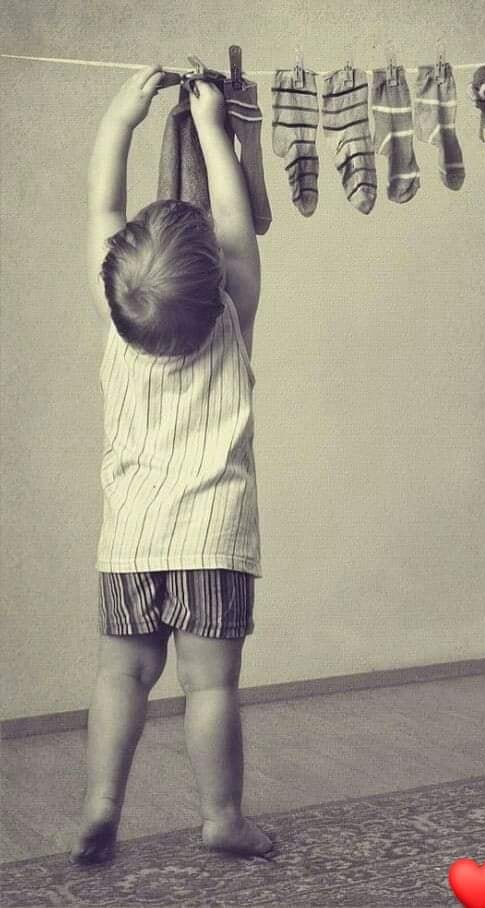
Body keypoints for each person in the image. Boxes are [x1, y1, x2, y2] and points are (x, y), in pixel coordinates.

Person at [71, 64, 272, 863]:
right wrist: (214, 129)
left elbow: (101, 208)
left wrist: (120, 120)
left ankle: (100, 804)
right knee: (209, 685)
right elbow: (235, 222)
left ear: (116, 285)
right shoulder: (230, 317)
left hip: (129, 538)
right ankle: (222, 817)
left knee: (120, 676)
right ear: (217, 277)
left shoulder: (116, 323)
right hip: (211, 537)